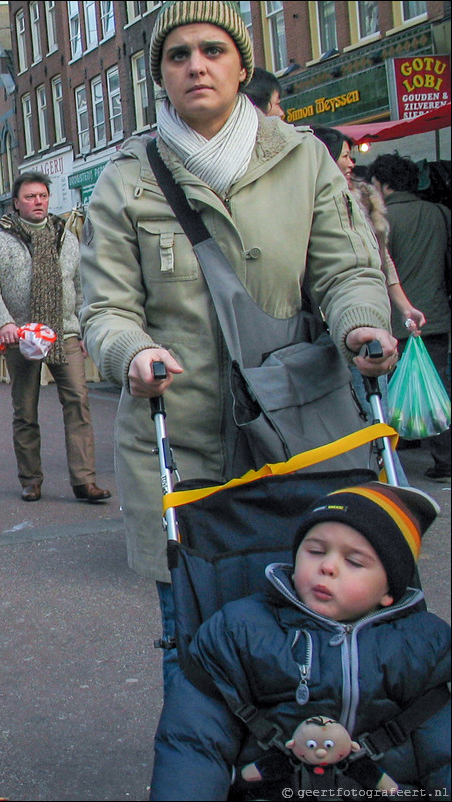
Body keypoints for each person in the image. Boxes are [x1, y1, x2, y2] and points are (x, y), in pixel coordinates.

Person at [76, 3, 396, 797]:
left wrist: (362, 328)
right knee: (197, 636)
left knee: (320, 620)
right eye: (177, 53)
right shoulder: (126, 180)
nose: (196, 64)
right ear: (160, 74)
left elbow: (346, 270)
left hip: (303, 437)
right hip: (182, 446)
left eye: (213, 49)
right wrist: (134, 352)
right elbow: (105, 308)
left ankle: (318, 771)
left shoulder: (304, 161)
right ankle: (212, 774)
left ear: (241, 64)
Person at [187, 481, 450, 795]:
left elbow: (443, 753)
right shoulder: (239, 629)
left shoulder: (421, 644)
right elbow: (193, 744)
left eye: (353, 562)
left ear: (389, 592)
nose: (327, 566)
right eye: (314, 551)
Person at [0, 171, 112, 504]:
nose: (38, 202)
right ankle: (31, 480)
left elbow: (79, 285)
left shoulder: (65, 236)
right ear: (16, 203)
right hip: (21, 335)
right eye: (30, 197)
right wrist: (4, 322)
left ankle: (84, 481)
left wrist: (80, 327)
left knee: (78, 402)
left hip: (63, 331)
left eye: (42, 196)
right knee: (25, 410)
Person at [367, 153, 451, 481]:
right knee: (438, 386)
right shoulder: (441, 213)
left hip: (395, 320)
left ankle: (401, 445)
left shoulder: (382, 219)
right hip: (436, 314)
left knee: (395, 388)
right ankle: (444, 456)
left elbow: (381, 268)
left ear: (384, 184)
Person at [310, 127, 425, 332]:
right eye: (345, 156)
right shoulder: (310, 202)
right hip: (328, 314)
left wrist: (405, 307)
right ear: (327, 157)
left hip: (367, 305)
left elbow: (381, 259)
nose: (350, 163)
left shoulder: (362, 199)